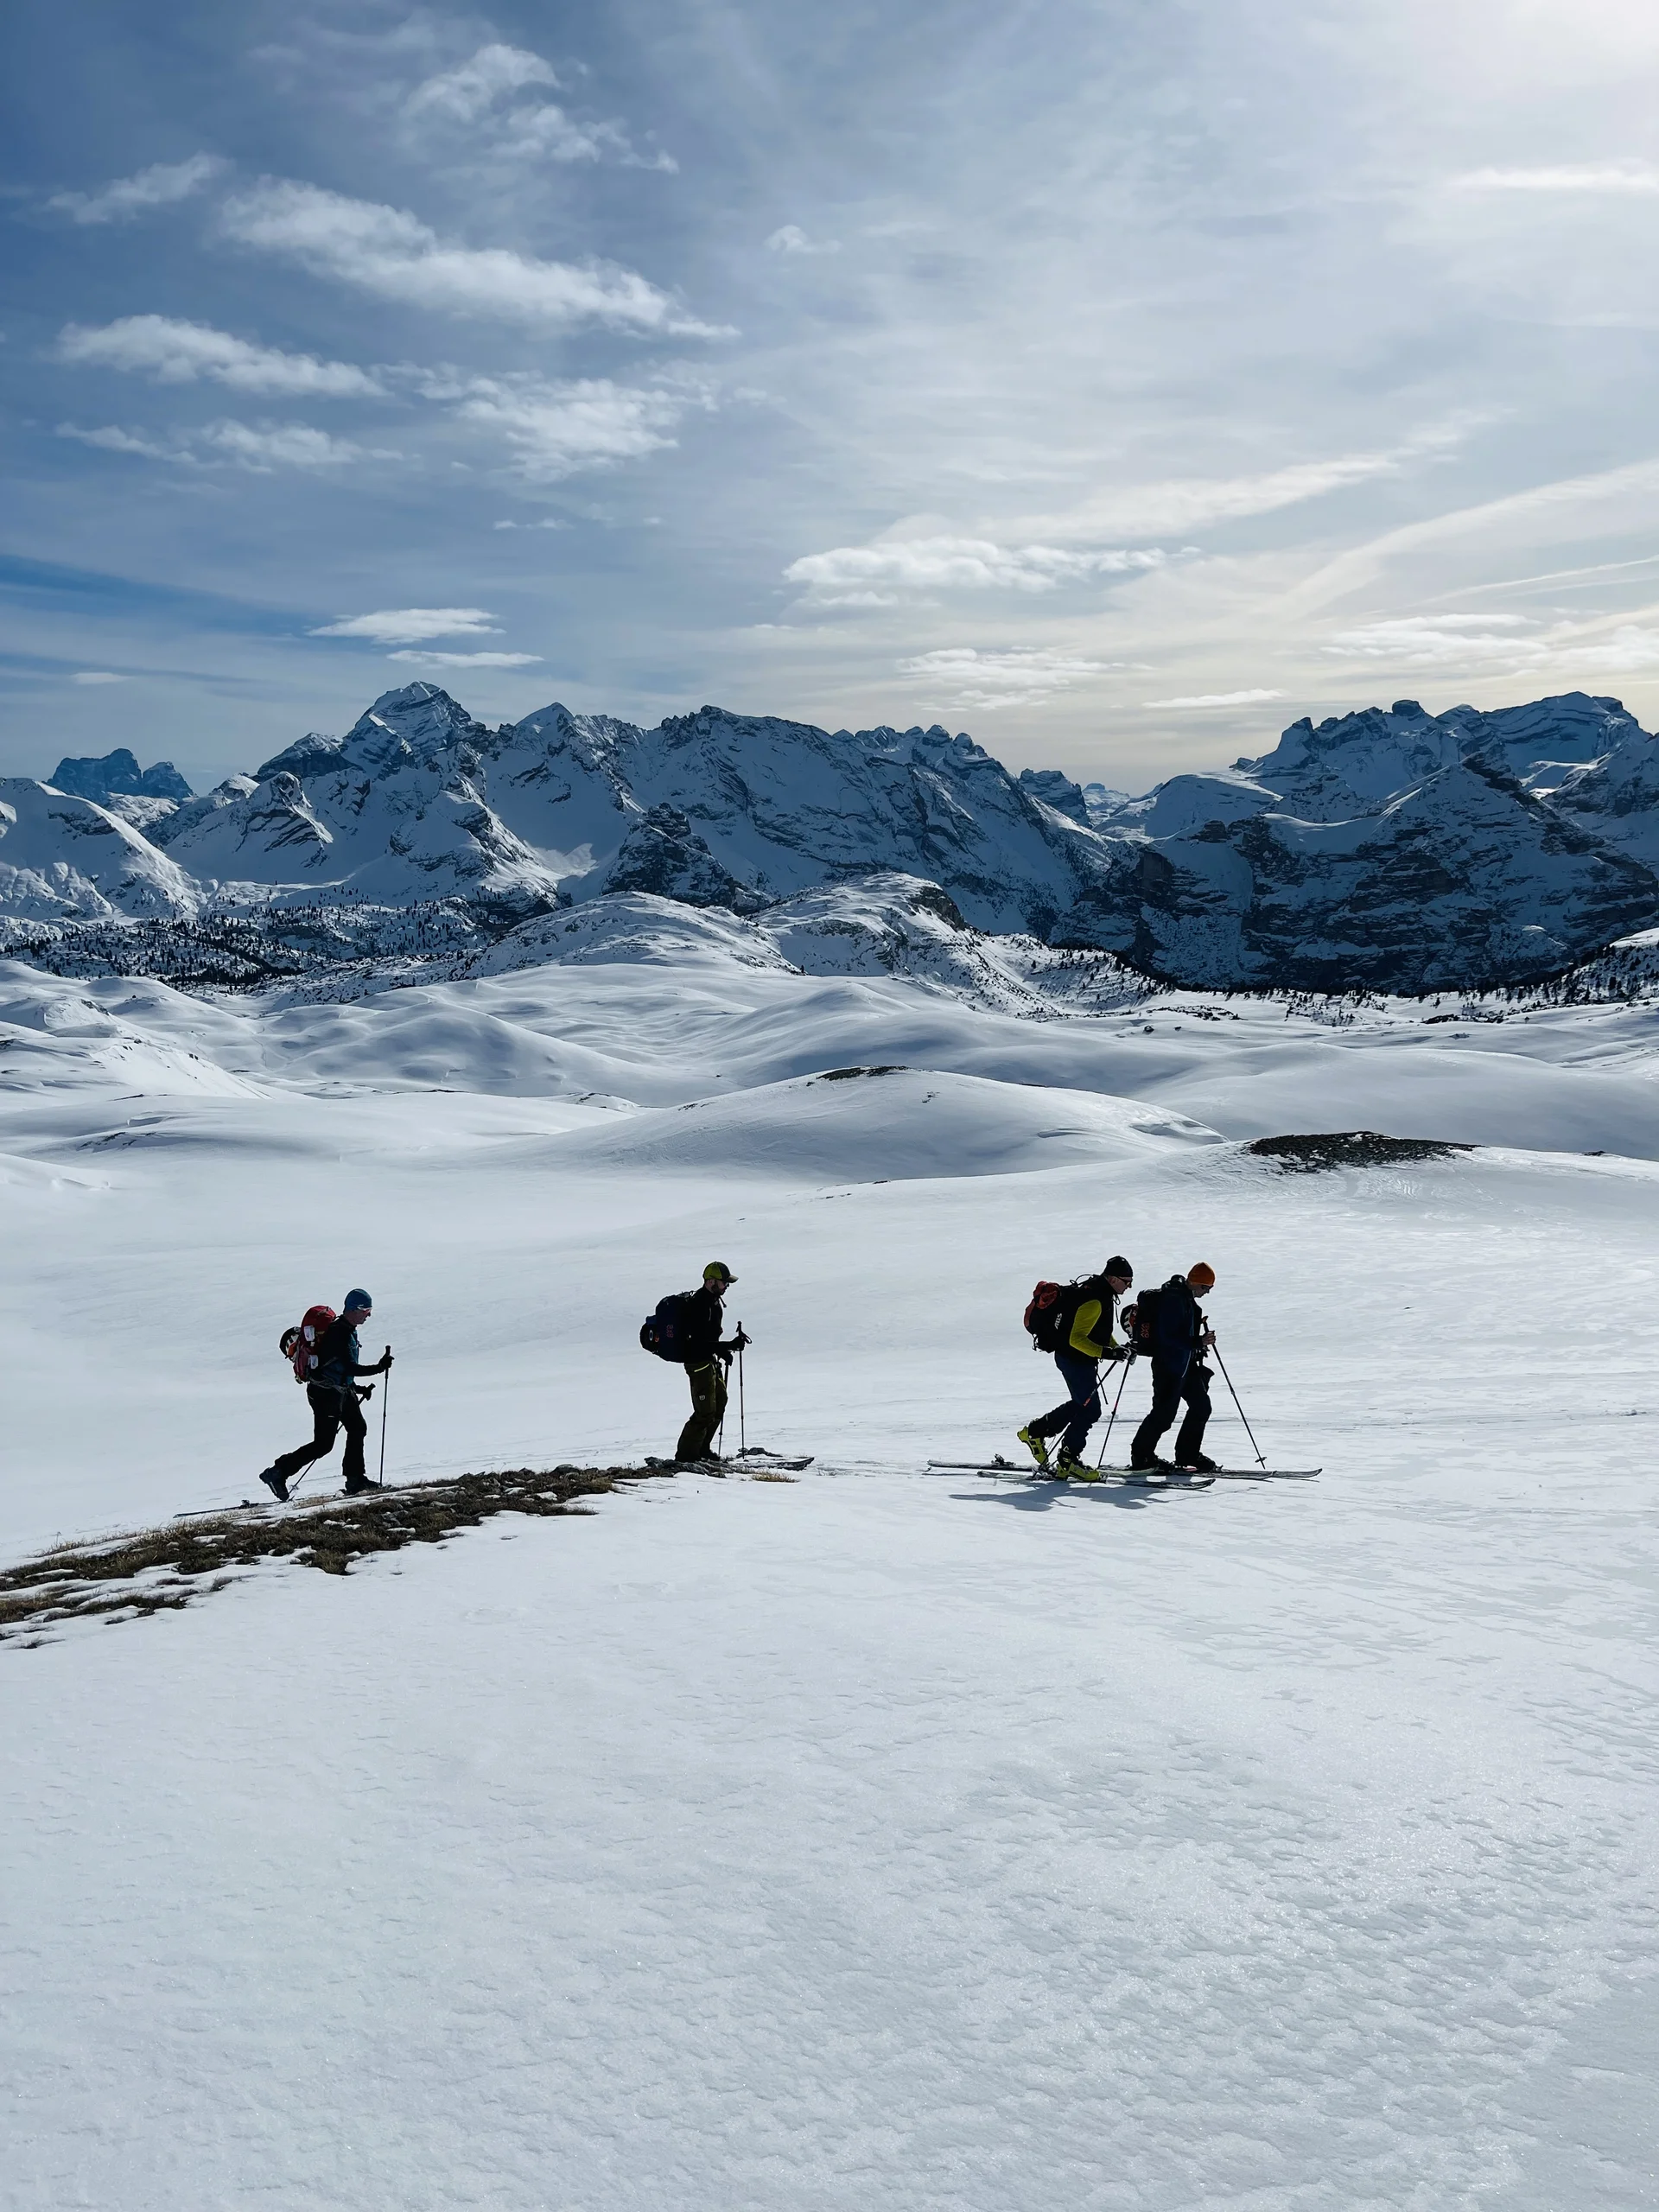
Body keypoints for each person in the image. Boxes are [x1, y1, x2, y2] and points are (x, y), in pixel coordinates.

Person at [260, 1289, 392, 1501]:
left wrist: (358, 1389)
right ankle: (277, 1473)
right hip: (325, 1395)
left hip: (340, 1391)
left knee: (358, 1428)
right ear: (354, 1309)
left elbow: (337, 1368)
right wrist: (379, 1367)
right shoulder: (339, 1333)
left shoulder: (347, 1330)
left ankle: (356, 1479)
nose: (368, 1315)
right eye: (366, 1311)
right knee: (323, 1444)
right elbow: (348, 1367)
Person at [1018, 1256, 1134, 1476]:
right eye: (1126, 1281)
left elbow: (1100, 1331)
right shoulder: (1095, 1299)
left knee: (1081, 1405)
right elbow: (1077, 1339)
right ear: (1112, 1278)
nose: (1128, 1286)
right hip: (1074, 1360)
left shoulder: (1100, 1294)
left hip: (1074, 1359)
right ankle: (1068, 1462)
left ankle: (1034, 1433)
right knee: (1090, 1410)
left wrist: (1118, 1350)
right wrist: (1109, 1353)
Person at [1129, 1263, 1217, 1472]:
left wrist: (1198, 1344)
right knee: (1164, 1414)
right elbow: (1167, 1337)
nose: (1206, 1293)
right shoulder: (1174, 1299)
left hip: (1186, 1365)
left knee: (1201, 1406)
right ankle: (1141, 1457)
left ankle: (1188, 1455)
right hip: (1167, 1365)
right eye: (1206, 1288)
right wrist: (1198, 1342)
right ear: (1196, 1283)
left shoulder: (1186, 1300)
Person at [676, 1262, 750, 1466]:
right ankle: (685, 1458)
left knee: (720, 1402)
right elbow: (696, 1342)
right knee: (705, 1411)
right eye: (723, 1282)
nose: (726, 1286)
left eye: (727, 1283)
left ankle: (702, 1450)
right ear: (710, 1282)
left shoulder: (714, 1302)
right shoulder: (699, 1304)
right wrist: (725, 1346)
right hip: (697, 1363)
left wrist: (723, 1350)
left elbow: (708, 1339)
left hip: (708, 1360)